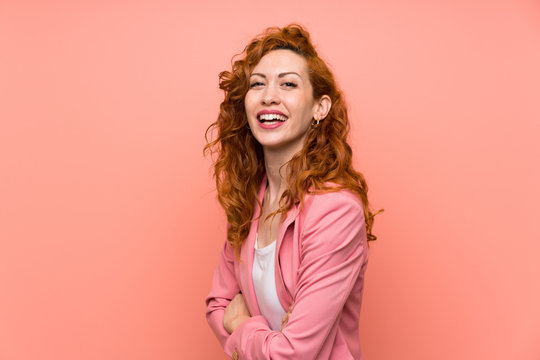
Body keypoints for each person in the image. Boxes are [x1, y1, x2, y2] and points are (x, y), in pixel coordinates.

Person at [204, 23, 382, 359]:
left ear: (320, 108)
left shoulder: (335, 210)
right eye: (258, 84)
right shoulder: (249, 199)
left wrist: (241, 325)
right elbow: (217, 306)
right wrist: (272, 338)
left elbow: (295, 354)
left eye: (288, 84)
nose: (269, 96)